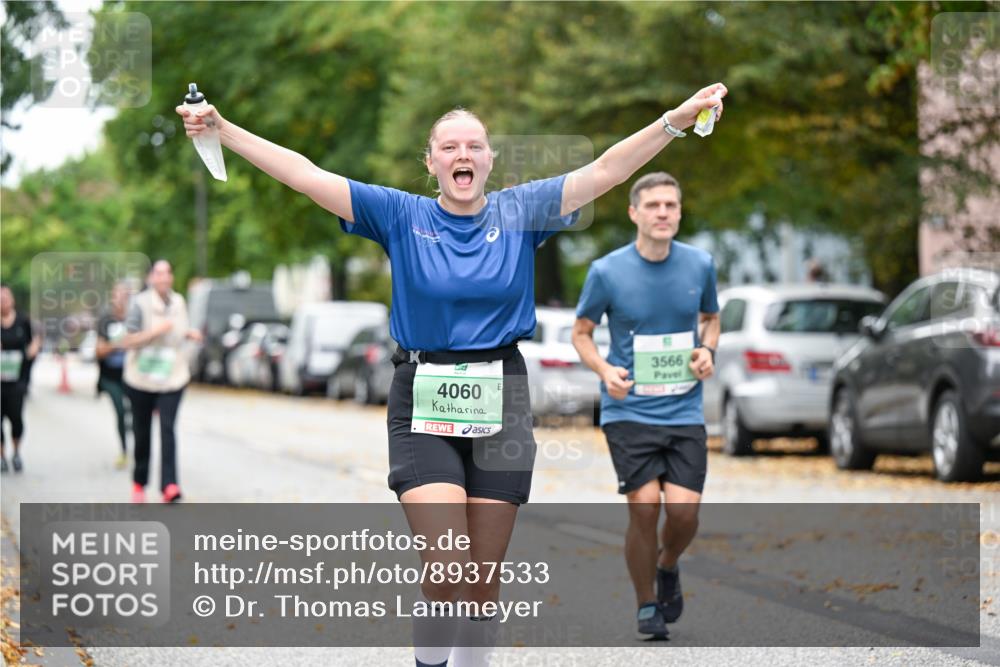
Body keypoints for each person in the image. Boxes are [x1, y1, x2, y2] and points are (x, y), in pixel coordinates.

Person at [177, 83, 726, 664]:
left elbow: (608, 170)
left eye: (475, 145)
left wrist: (676, 119)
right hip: (423, 396)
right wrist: (224, 130)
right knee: (446, 565)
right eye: (449, 146)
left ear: (490, 159)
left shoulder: (522, 210)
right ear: (432, 161)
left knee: (483, 580)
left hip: (502, 396)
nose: (463, 155)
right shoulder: (398, 214)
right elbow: (304, 173)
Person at [572, 172, 720, 640]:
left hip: (684, 410)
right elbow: (581, 332)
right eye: (653, 205)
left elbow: (711, 319)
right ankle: (646, 604)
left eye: (671, 206)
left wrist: (707, 350)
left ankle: (668, 563)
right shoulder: (607, 271)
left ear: (679, 212)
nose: (662, 213)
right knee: (644, 505)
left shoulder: (700, 265)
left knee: (683, 513)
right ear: (634, 213)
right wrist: (604, 371)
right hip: (629, 409)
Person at [120, 261, 202, 503]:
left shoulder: (179, 302)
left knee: (168, 430)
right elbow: (128, 340)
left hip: (172, 377)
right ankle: (139, 482)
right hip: (141, 379)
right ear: (151, 278)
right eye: (159, 273)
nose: (164, 278)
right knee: (142, 431)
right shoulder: (139, 304)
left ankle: (170, 485)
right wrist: (155, 331)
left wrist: (189, 333)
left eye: (168, 273)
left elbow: (178, 330)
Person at [0, 284, 41, 473]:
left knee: (16, 419)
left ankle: (16, 452)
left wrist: (33, 349)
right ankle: (1, 457)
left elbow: (35, 340)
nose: (3, 301)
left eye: (6, 297)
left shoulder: (23, 321)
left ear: (12, 300)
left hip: (18, 380)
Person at [96, 282, 133, 469]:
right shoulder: (106, 320)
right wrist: (117, 344)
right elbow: (99, 350)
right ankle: (124, 451)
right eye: (118, 294)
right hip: (111, 376)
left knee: (134, 413)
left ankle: (136, 445)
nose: (122, 298)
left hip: (132, 375)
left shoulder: (135, 318)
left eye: (125, 294)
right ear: (113, 297)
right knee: (120, 410)